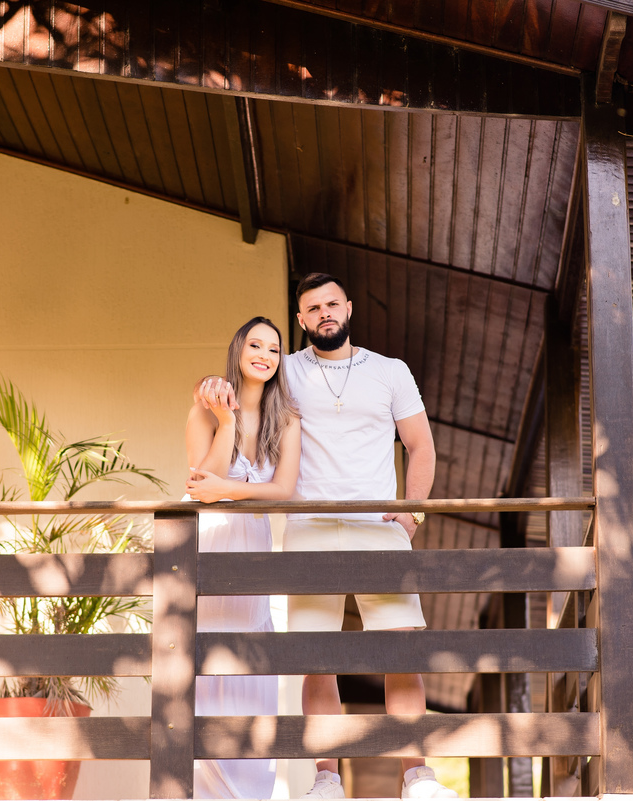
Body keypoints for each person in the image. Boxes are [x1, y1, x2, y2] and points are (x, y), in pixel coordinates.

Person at [197, 274, 456, 799]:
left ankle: (417, 777)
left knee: (401, 648)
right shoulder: (287, 369)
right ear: (301, 320)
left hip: (379, 526)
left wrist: (411, 516)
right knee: (316, 658)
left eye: (332, 304)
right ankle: (326, 780)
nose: (324, 313)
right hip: (309, 528)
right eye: (313, 308)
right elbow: (245, 378)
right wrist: (211, 385)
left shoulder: (390, 371)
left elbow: (421, 447)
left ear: (349, 307)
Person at [185, 316, 301, 799]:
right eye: (256, 345)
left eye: (274, 349)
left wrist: (230, 490)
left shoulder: (287, 419)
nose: (264, 355)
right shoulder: (204, 410)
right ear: (238, 350)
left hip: (254, 546)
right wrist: (228, 422)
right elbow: (200, 486)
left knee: (253, 663)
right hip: (212, 541)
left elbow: (284, 491)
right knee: (208, 660)